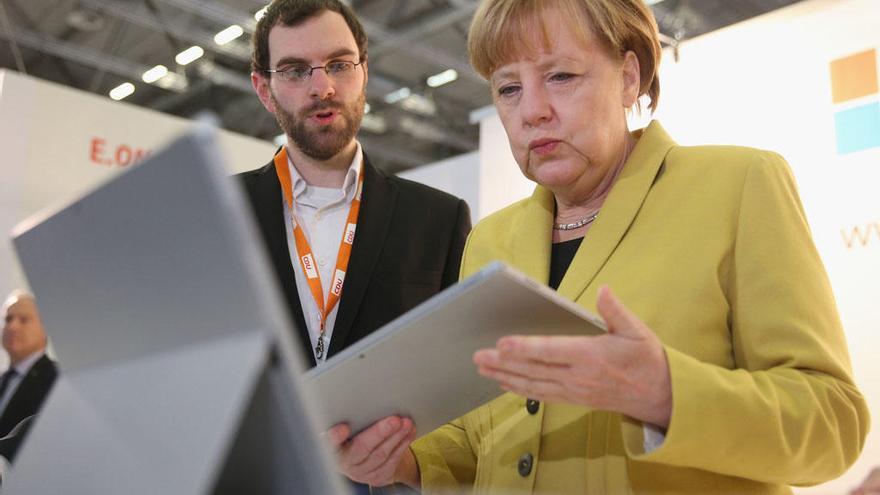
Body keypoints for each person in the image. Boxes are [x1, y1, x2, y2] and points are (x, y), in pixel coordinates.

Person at [327, 0, 870, 492]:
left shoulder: (739, 184)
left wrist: (668, 392)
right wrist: (403, 461)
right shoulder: (491, 239)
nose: (531, 110)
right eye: (508, 88)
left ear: (629, 77)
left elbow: (833, 424)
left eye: (560, 76)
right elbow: (481, 444)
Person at [241, 0, 471, 369]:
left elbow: (455, 364)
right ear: (264, 90)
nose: (323, 87)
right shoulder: (218, 213)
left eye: (339, 65)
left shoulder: (439, 220)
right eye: (295, 70)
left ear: (364, 71)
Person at [0, 291, 57, 462]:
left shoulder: (57, 380)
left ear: (45, 327)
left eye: (23, 319)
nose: (12, 327)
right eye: (8, 319)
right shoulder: (3, 380)